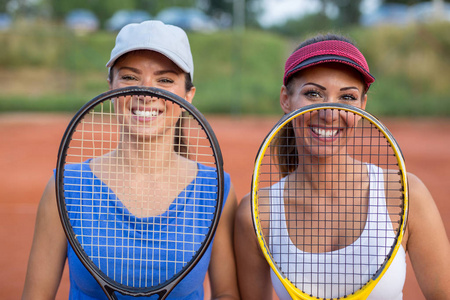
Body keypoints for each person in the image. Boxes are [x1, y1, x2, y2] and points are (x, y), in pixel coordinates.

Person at [22, 20, 239, 300]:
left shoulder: (217, 190)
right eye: (129, 77)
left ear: (189, 95)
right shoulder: (63, 187)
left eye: (165, 80)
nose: (146, 91)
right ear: (110, 87)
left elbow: (226, 293)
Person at [234, 33, 450, 300]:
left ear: (363, 106)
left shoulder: (406, 194)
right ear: (286, 100)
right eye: (313, 94)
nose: (330, 114)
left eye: (347, 98)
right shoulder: (256, 214)